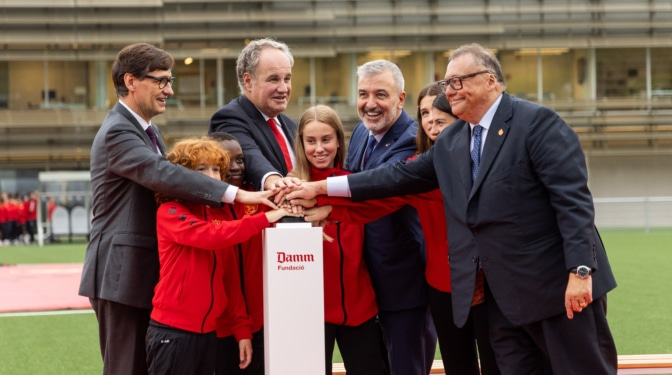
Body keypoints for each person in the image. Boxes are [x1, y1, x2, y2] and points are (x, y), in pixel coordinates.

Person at [287, 43, 618, 375]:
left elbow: (573, 202)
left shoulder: (537, 124)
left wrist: (580, 271)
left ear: (491, 81)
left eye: (459, 81)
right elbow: (398, 177)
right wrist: (323, 190)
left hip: (558, 291)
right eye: (447, 83)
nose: (450, 90)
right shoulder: (454, 139)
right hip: (501, 301)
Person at [78, 43, 278, 375]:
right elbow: (163, 174)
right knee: (126, 368)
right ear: (131, 81)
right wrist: (237, 195)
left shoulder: (149, 130)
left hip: (140, 273)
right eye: (161, 81)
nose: (169, 90)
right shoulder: (117, 131)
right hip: (120, 274)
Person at [302, 89, 500, 374]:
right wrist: (331, 210)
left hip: (490, 281)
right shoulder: (419, 167)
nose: (431, 121)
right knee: (458, 363)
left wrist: (325, 199)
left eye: (439, 113)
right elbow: (381, 199)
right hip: (443, 284)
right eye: (424, 114)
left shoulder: (483, 161)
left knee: (499, 361)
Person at [146, 137, 294, 374]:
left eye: (217, 169)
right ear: (182, 175)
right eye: (201, 169)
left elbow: (231, 281)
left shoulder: (218, 218)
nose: (213, 176)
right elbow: (210, 236)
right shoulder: (170, 212)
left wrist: (243, 331)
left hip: (208, 335)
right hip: (173, 332)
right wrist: (265, 218)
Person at [343, 59, 436, 375]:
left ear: (401, 99)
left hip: (404, 288)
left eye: (380, 94)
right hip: (365, 286)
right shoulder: (359, 132)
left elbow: (374, 187)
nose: (370, 104)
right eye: (363, 94)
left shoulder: (413, 140)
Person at [293, 105, 387, 375]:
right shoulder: (289, 189)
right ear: (301, 143)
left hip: (361, 310)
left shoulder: (354, 185)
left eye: (326, 139)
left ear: (338, 141)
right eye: (311, 141)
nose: (319, 148)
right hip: (310, 315)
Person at [209, 38, 298, 192]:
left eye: (287, 79)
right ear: (248, 81)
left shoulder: (292, 126)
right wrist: (271, 179)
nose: (283, 88)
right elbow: (249, 154)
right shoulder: (229, 118)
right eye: (274, 79)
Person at [210, 132, 266, 375]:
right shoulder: (202, 209)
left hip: (262, 322)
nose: (234, 167)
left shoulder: (261, 200)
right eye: (225, 159)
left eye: (240, 160)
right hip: (219, 327)